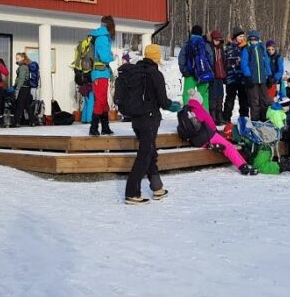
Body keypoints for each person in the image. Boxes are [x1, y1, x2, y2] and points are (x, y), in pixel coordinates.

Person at [124, 44, 182, 204]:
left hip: (136, 119)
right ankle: (132, 193)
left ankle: (157, 188)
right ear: (157, 57)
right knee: (145, 155)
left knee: (150, 152)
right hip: (149, 119)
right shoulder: (155, 74)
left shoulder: (135, 71)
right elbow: (163, 101)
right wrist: (173, 105)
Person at [187, 88, 259, 175]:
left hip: (196, 141)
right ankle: (243, 166)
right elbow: (212, 126)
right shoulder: (200, 110)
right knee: (228, 146)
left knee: (221, 143)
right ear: (199, 101)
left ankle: (211, 145)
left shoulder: (186, 111)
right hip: (206, 137)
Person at [89, 15, 116, 136]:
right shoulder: (103, 38)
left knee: (103, 101)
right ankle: (93, 128)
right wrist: (112, 56)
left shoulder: (101, 36)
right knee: (100, 100)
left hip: (101, 73)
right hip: (100, 73)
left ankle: (105, 127)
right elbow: (105, 57)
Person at [178, 25, 213, 110]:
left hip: (190, 75)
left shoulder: (187, 45)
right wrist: (207, 71)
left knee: (188, 95)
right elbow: (211, 59)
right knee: (203, 95)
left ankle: (188, 114)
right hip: (203, 74)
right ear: (201, 34)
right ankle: (204, 116)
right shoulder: (205, 45)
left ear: (192, 33)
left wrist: (185, 71)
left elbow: (181, 59)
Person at [240, 30, 271, 122]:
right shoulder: (247, 49)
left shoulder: (262, 47)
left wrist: (269, 75)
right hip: (252, 79)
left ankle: (264, 119)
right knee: (255, 101)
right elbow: (244, 63)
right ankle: (255, 121)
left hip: (262, 78)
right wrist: (247, 75)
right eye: (252, 40)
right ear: (249, 40)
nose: (254, 42)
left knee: (265, 100)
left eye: (255, 40)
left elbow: (266, 62)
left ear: (258, 40)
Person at [223, 27, 249, 122]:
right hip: (231, 78)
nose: (241, 38)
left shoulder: (246, 47)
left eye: (242, 36)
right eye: (239, 36)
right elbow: (224, 62)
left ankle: (244, 118)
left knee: (244, 100)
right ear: (235, 37)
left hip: (243, 78)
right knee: (230, 99)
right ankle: (226, 118)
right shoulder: (228, 47)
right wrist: (224, 75)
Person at [209, 29, 227, 125]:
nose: (217, 42)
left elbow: (224, 61)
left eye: (219, 40)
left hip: (220, 76)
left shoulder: (221, 49)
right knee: (213, 96)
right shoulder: (210, 48)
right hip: (213, 76)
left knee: (220, 95)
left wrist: (225, 73)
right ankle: (213, 115)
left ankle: (219, 115)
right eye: (216, 40)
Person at [12, 52, 32, 127]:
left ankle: (16, 122)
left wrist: (17, 88)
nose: (16, 59)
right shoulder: (24, 66)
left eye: (18, 58)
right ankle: (33, 121)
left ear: (23, 58)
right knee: (26, 105)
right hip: (26, 87)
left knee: (19, 105)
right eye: (16, 58)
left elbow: (21, 79)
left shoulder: (23, 67)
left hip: (23, 88)